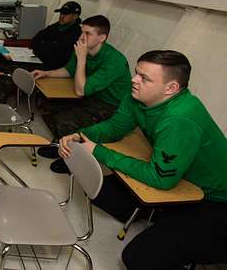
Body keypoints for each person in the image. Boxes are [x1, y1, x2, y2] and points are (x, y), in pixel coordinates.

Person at [58, 50, 227, 269]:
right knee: (98, 190)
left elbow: (160, 179)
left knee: (137, 258)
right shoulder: (137, 96)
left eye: (144, 78)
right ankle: (160, 213)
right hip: (180, 179)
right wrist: (82, 135)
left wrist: (99, 151)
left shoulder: (180, 119)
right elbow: (114, 127)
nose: (133, 79)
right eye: (137, 73)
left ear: (171, 88)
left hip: (215, 201)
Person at [33, 15, 132, 173]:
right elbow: (69, 71)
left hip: (112, 107)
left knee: (66, 119)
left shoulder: (114, 60)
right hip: (92, 97)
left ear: (102, 38)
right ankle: (62, 143)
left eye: (88, 33)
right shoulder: (82, 50)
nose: (82, 37)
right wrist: (47, 73)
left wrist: (82, 58)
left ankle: (72, 157)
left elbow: (80, 90)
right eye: (81, 32)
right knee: (45, 102)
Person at [0, 1, 81, 73]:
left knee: (13, 68)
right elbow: (36, 39)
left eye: (66, 14)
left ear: (75, 16)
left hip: (51, 66)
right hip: (37, 57)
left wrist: (43, 46)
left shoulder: (76, 33)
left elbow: (55, 53)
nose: (62, 16)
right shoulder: (55, 26)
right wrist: (45, 46)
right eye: (61, 13)